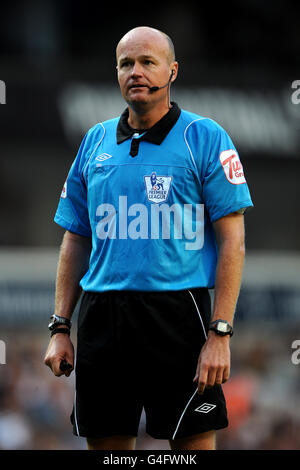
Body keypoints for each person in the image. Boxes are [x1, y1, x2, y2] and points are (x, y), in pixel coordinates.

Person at [44, 26, 253, 451]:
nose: (135, 71)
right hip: (103, 317)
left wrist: (220, 334)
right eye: (126, 63)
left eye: (147, 62)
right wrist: (60, 326)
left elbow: (233, 241)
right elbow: (76, 239)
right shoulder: (95, 140)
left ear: (172, 71)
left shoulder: (205, 137)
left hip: (179, 313)